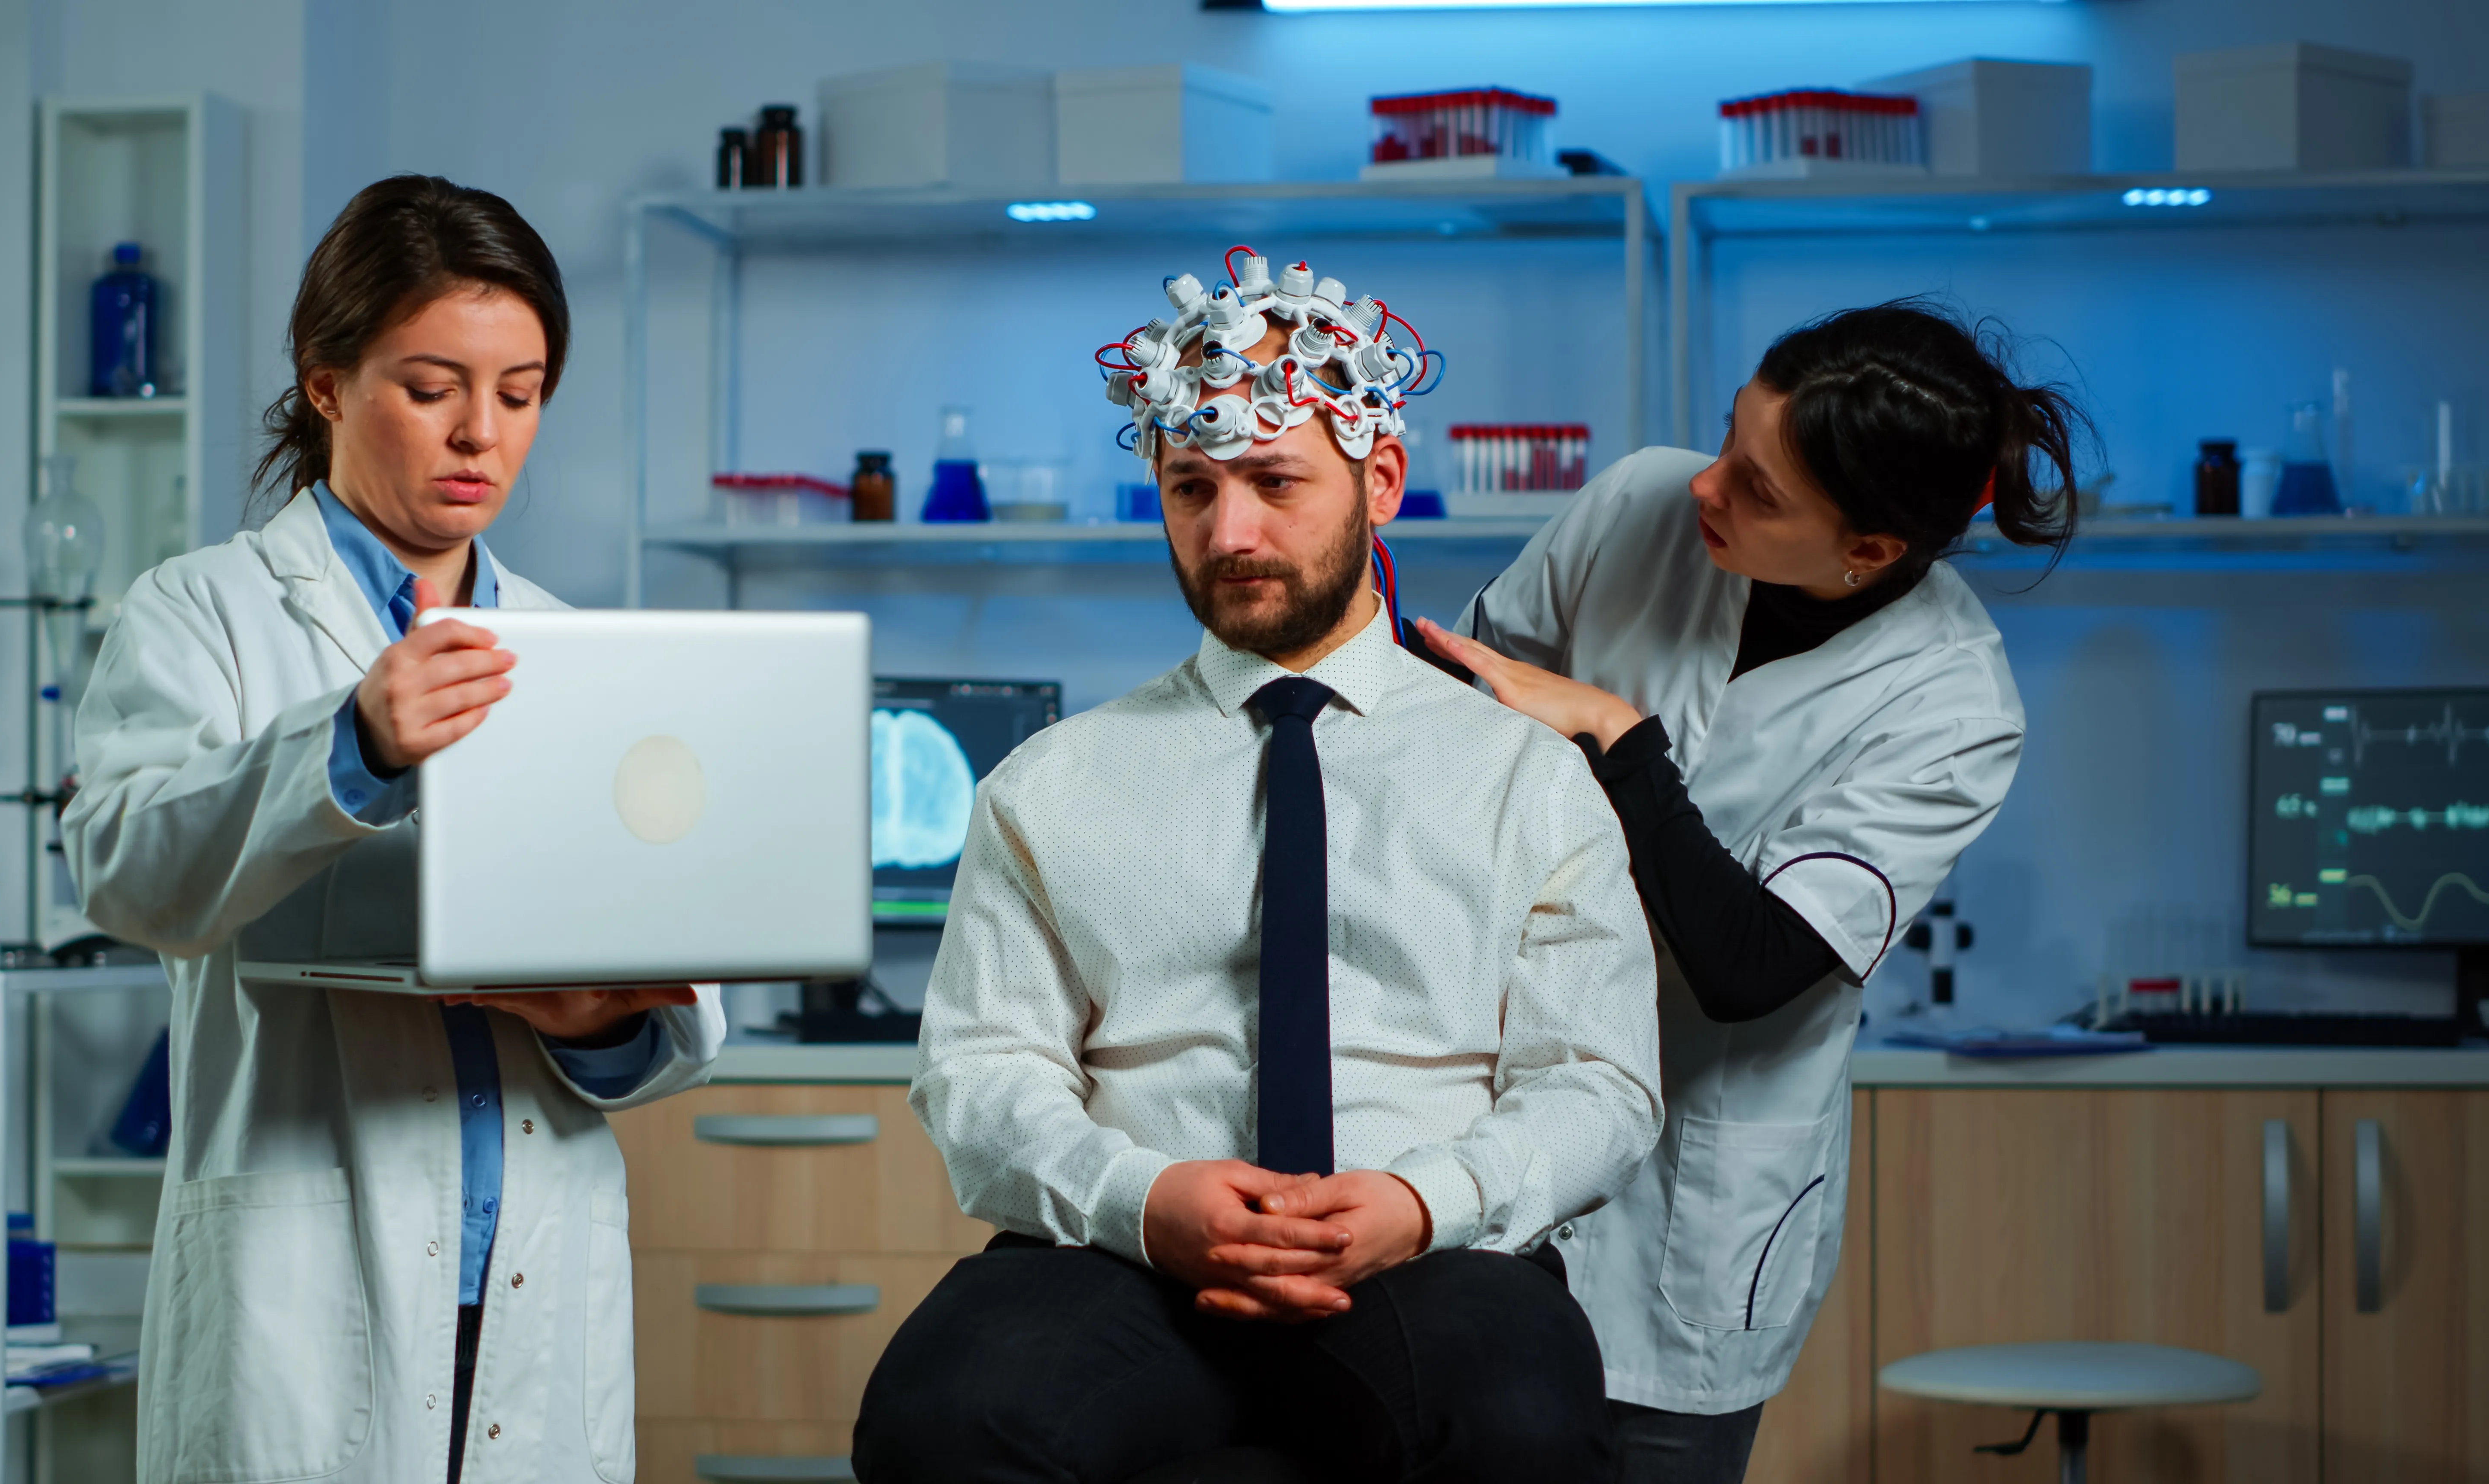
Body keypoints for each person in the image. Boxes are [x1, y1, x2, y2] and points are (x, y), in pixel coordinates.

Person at [851, 250, 1663, 1484]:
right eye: (1191, 487)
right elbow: (980, 1074)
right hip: (1124, 1254)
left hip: (1429, 1251)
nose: (1230, 532)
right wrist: (1143, 1198)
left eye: (1275, 481)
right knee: (942, 1423)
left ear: (1380, 480)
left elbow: (1598, 1082)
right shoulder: (1050, 785)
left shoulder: (1528, 781)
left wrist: (1423, 1201)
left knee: (1521, 1432)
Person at [64, 175, 725, 1484]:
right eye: (433, 388)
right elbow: (125, 868)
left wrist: (593, 1020)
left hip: (532, 1253)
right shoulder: (205, 614)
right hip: (309, 1263)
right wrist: (349, 746)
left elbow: (686, 1005)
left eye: (521, 393)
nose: (481, 434)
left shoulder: (573, 646)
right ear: (326, 383)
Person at [1415, 300, 2084, 1483]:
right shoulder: (1634, 505)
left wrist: (1620, 741)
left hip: (1694, 1209)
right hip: (1488, 1140)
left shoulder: (1950, 706)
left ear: (1869, 550)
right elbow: (1452, 718)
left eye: (1759, 490)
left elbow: (1753, 967)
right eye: (1729, 438)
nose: (1706, 490)